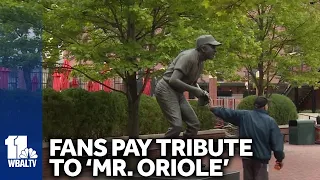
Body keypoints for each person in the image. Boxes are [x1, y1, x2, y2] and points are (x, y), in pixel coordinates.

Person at [155, 34, 221, 139]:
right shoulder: (188, 57)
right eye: (212, 47)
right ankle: (166, 153)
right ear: (203, 48)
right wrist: (194, 90)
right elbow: (173, 80)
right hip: (166, 89)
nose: (215, 50)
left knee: (194, 125)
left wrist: (201, 93)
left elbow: (193, 82)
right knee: (176, 126)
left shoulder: (200, 62)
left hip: (178, 92)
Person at [210, 96, 285, 180]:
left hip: (247, 157)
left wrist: (213, 109)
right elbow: (277, 143)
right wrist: (279, 159)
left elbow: (228, 113)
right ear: (265, 106)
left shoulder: (244, 115)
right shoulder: (270, 121)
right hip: (261, 158)